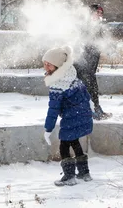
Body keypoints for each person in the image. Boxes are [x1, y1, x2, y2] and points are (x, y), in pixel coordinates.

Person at [42, 45, 93, 186]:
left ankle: (69, 176)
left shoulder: (58, 85)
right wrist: (91, 108)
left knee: (64, 145)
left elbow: (53, 110)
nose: (46, 67)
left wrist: (48, 129)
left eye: (49, 65)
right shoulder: (72, 76)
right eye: (44, 63)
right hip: (82, 114)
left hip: (72, 117)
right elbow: (86, 94)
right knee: (74, 141)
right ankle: (84, 172)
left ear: (58, 66)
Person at [74, 4, 112, 120]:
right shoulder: (84, 25)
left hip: (91, 65)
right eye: (97, 12)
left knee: (92, 86)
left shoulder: (98, 27)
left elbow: (100, 43)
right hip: (83, 64)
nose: (100, 15)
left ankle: (95, 109)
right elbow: (79, 42)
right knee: (86, 86)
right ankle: (90, 110)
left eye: (101, 13)